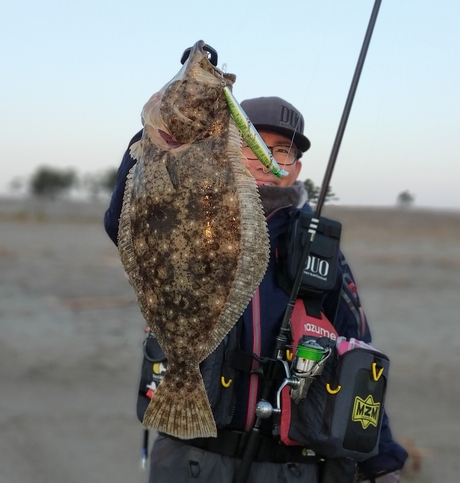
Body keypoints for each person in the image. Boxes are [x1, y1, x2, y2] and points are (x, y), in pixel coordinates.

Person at [104, 96, 408, 483]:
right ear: (227, 150)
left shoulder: (322, 250)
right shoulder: (194, 214)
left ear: (296, 169)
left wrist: (379, 463)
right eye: (255, 147)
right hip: (191, 456)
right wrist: (160, 132)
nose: (267, 162)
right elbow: (125, 222)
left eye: (281, 152)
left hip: (292, 468)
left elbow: (359, 359)